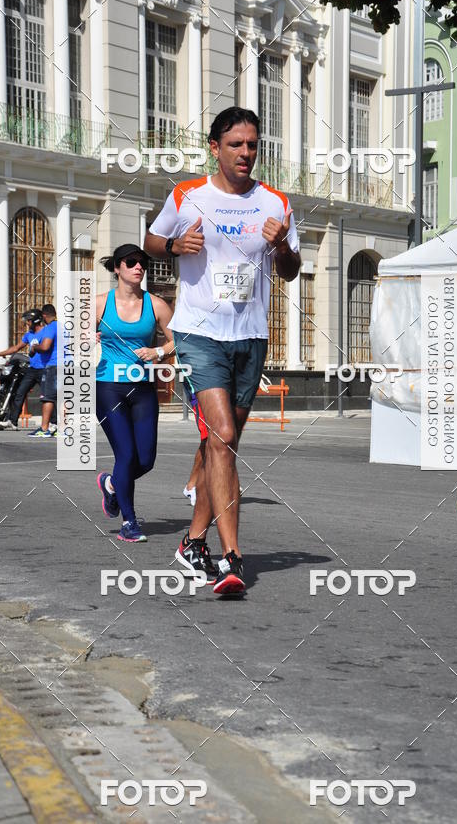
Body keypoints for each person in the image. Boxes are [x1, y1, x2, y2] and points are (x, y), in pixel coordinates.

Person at [145, 106, 301, 595]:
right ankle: (232, 558)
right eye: (236, 145)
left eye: (253, 145)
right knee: (224, 434)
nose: (246, 153)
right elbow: (151, 239)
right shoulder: (188, 195)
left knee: (222, 445)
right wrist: (173, 249)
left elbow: (292, 270)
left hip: (250, 336)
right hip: (198, 333)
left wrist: (283, 250)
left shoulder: (275, 204)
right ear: (215, 147)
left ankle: (192, 541)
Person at [95, 243, 174, 543]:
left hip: (142, 388)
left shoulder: (156, 305)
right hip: (108, 387)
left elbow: (179, 339)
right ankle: (129, 522)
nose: (139, 267)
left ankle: (112, 485)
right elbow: (72, 343)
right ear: (117, 268)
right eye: (131, 262)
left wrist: (157, 351)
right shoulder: (100, 303)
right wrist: (87, 339)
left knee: (146, 459)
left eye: (142, 262)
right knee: (126, 455)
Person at [0, 309, 54, 431]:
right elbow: (16, 348)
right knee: (20, 393)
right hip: (32, 369)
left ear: (35, 321)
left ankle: (54, 423)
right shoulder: (28, 335)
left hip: (45, 369)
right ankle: (12, 421)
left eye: (28, 321)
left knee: (48, 397)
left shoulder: (46, 332)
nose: (27, 323)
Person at [28, 304, 58, 438]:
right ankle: (62, 429)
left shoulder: (50, 327)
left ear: (44, 316)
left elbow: (45, 347)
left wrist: (34, 347)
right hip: (66, 364)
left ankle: (44, 429)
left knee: (47, 398)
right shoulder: (62, 326)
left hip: (53, 366)